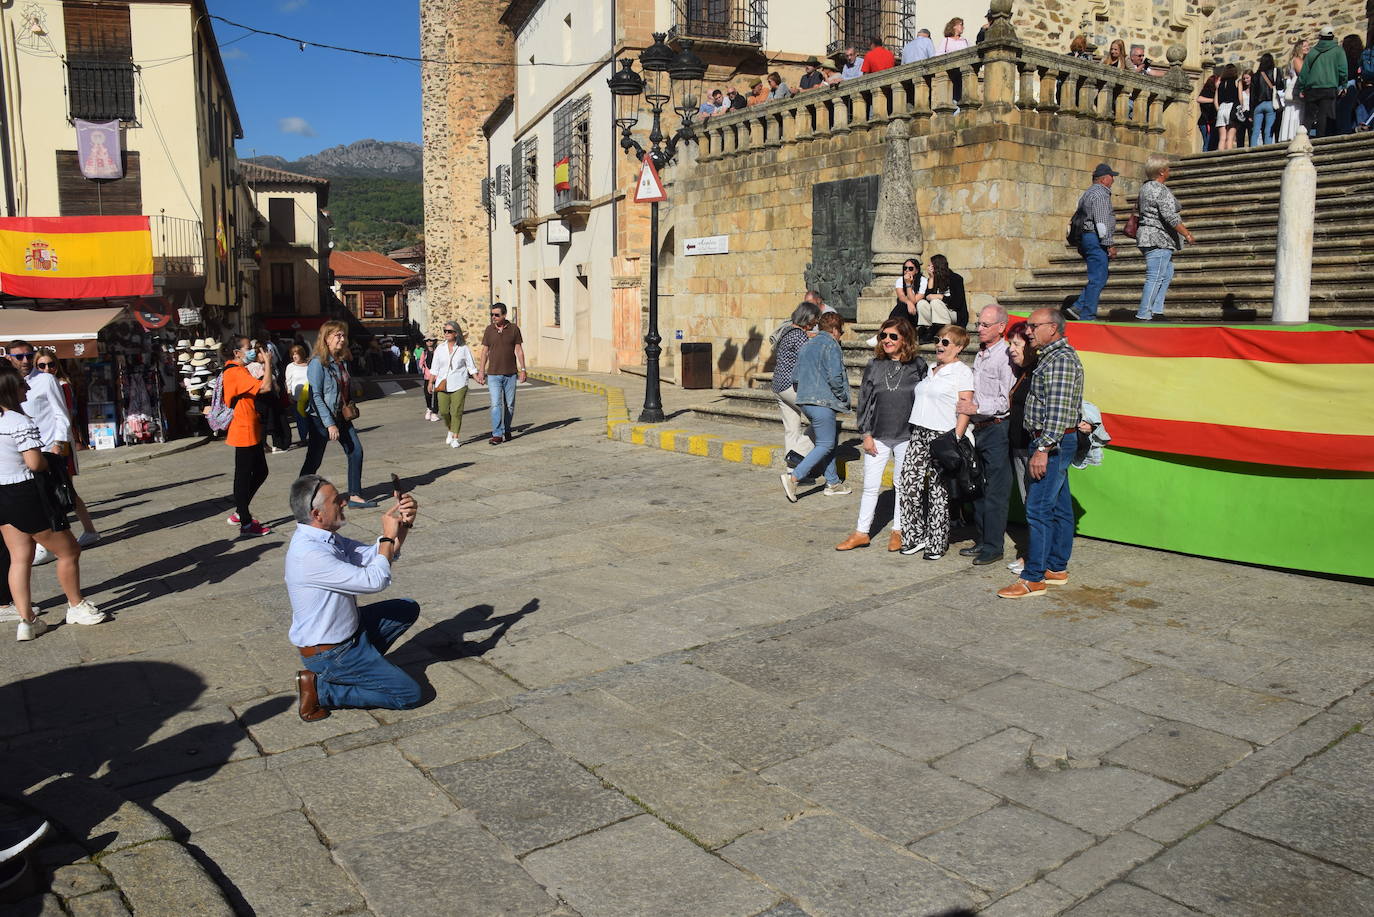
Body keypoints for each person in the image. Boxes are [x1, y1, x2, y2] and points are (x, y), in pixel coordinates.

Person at [286, 474, 420, 721]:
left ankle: (365, 667)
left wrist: (403, 525)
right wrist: (388, 536)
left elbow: (374, 556)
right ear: (317, 514)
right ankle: (323, 690)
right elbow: (374, 580)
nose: (345, 503)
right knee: (409, 694)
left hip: (351, 630)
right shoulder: (309, 554)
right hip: (331, 653)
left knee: (406, 609)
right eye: (337, 501)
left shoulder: (325, 536)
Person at [0, 363, 107, 641]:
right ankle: (76, 605)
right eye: (22, 384)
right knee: (69, 551)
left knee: (19, 557)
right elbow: (34, 463)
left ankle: (27, 620)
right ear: (11, 390)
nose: (27, 387)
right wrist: (50, 460)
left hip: (2, 494)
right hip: (25, 492)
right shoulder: (18, 422)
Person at [998, 308, 1084, 599]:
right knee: (1058, 507)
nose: (1030, 330)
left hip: (1051, 443)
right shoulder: (1051, 357)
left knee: (1038, 510)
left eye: (1034, 326)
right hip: (1055, 442)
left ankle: (1033, 577)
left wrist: (1043, 448)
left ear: (1053, 328)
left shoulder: (1059, 360)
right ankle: (1056, 568)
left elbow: (1058, 413)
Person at [836, 318, 926, 552]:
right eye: (883, 336)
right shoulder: (874, 365)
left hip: (907, 435)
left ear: (905, 338)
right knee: (870, 485)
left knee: (901, 485)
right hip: (878, 434)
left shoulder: (918, 365)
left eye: (893, 336)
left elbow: (926, 399)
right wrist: (865, 433)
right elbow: (865, 400)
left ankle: (898, 529)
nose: (887, 340)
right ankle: (861, 532)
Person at [897, 324, 974, 559]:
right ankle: (915, 536)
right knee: (908, 485)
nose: (939, 345)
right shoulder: (931, 368)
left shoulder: (962, 372)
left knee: (938, 491)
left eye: (946, 342)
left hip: (942, 436)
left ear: (959, 347)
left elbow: (965, 409)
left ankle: (937, 542)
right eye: (938, 340)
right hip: (919, 433)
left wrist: (956, 438)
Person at [8, 340, 76, 565]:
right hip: (18, 457)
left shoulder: (45, 379)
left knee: (53, 501)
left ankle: (51, 544)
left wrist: (58, 444)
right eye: (20, 357)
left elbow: (61, 413)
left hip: (45, 450)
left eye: (29, 355)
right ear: (9, 357)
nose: (25, 361)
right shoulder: (7, 383)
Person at [956, 305, 1014, 565]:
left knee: (996, 491)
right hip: (977, 428)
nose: (979, 328)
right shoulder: (982, 354)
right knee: (977, 487)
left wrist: (975, 408)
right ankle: (981, 539)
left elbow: (1005, 401)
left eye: (985, 325)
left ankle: (993, 546)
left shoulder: (1005, 356)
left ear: (1001, 327)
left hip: (996, 427)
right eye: (979, 323)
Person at [299, 321, 379, 510]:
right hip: (321, 418)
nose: (342, 339)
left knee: (355, 451)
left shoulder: (340, 361)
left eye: (344, 336)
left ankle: (355, 495)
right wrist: (329, 424)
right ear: (326, 338)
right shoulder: (317, 363)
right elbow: (316, 396)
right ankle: (301, 496)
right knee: (314, 459)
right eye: (338, 336)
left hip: (341, 416)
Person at [780, 312, 851, 501]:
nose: (840, 336)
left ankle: (832, 482)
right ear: (835, 329)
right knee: (826, 444)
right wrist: (843, 396)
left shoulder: (807, 344)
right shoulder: (831, 345)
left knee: (829, 441)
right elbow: (835, 378)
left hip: (805, 401)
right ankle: (794, 478)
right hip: (822, 402)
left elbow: (794, 376)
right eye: (841, 332)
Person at [32, 352, 97, 546]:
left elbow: (65, 414)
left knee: (65, 488)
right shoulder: (36, 384)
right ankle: (87, 530)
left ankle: (84, 530)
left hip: (60, 443)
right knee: (60, 489)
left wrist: (65, 441)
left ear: (57, 365)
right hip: (45, 442)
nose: (47, 369)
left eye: (50, 364)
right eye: (41, 365)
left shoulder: (62, 384)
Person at [221, 337, 274, 537]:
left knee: (261, 471)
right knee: (243, 476)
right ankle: (245, 521)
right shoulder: (234, 372)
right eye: (248, 348)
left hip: (250, 426)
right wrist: (267, 362)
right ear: (237, 353)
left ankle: (239, 511)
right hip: (243, 428)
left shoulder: (238, 370)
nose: (252, 350)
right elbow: (266, 387)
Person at [1134, 154, 1197, 321]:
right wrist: (1187, 234)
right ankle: (1144, 314)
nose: (1169, 171)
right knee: (1155, 276)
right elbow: (1170, 216)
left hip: (1147, 236)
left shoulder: (1145, 188)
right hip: (1157, 238)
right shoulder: (1160, 189)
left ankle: (1157, 310)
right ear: (1162, 171)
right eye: (1168, 168)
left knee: (1167, 272)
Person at [1003, 321, 1039, 575]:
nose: (1011, 349)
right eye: (1010, 343)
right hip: (1018, 448)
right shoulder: (1022, 371)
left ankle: (1033, 557)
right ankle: (1030, 553)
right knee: (1029, 504)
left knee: (1034, 505)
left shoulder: (1038, 371)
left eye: (1016, 343)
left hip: (1032, 448)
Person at [770, 301, 821, 469]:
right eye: (814, 321)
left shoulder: (787, 330)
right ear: (808, 318)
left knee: (792, 429)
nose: (815, 324)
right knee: (821, 419)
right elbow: (807, 358)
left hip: (778, 385)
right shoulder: (798, 335)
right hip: (790, 386)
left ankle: (792, 472)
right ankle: (797, 454)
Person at [1065, 163, 1118, 322]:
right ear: (1104, 179)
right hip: (1095, 238)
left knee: (1098, 276)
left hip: (1086, 238)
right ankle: (1087, 315)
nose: (1113, 179)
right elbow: (1101, 223)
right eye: (1111, 176)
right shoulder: (1101, 194)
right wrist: (1109, 244)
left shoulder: (1087, 193)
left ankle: (1078, 307)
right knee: (1098, 277)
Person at [475, 302, 526, 445]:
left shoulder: (514, 329)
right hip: (493, 374)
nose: (493, 317)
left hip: (510, 374)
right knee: (496, 404)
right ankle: (497, 434)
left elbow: (519, 350)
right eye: (492, 314)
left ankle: (507, 429)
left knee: (509, 405)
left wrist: (523, 369)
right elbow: (484, 351)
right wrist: (481, 371)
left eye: (497, 315)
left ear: (504, 315)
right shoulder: (489, 330)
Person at [429, 321, 478, 449]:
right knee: (444, 411)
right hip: (442, 384)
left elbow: (470, 366)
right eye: (444, 331)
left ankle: (456, 437)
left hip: (459, 383)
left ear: (456, 333)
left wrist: (477, 377)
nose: (446, 333)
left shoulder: (463, 348)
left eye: (449, 331)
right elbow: (434, 368)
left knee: (456, 411)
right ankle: (451, 429)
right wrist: (430, 382)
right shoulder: (439, 349)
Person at [1297, 28, 1348, 138]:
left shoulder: (1312, 52)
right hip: (1329, 88)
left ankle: (1302, 140)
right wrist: (1344, 85)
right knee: (1324, 116)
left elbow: (1304, 72)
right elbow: (1343, 70)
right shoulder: (1338, 51)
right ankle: (1322, 142)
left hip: (1312, 89)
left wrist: (1301, 88)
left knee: (1308, 117)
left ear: (1320, 37)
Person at [923, 254, 969, 337]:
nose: (928, 268)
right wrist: (931, 278)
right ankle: (926, 330)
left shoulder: (955, 279)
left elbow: (957, 303)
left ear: (937, 266)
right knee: (921, 304)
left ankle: (944, 331)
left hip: (953, 313)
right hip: (936, 314)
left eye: (930, 266)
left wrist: (941, 297)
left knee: (935, 302)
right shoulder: (933, 279)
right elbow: (927, 297)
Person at [1278, 39, 1310, 142]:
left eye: (1308, 46)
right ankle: (1292, 136)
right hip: (1295, 90)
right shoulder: (1297, 60)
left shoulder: (1301, 60)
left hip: (1298, 89)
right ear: (1299, 48)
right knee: (1295, 113)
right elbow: (1302, 74)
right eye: (1305, 46)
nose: (1307, 48)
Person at [1251, 53, 1282, 145]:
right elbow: (1280, 86)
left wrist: (1251, 111)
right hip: (1270, 103)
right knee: (1268, 130)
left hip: (1258, 105)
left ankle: (1253, 149)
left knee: (1256, 130)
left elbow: (1252, 94)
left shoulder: (1255, 75)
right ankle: (1267, 148)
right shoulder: (1275, 71)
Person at [284, 343, 312, 446]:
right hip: (297, 398)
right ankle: (303, 438)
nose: (294, 356)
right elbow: (288, 382)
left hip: (310, 396)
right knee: (301, 419)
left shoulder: (309, 364)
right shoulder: (290, 366)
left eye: (297, 354)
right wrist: (289, 394)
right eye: (293, 354)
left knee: (312, 417)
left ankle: (314, 436)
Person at [888, 257, 925, 328]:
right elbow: (901, 296)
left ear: (916, 271)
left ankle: (891, 327)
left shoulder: (923, 281)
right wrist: (908, 302)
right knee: (902, 305)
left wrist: (908, 284)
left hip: (917, 312)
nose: (907, 271)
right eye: (905, 268)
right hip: (905, 310)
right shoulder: (900, 280)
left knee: (902, 307)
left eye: (910, 268)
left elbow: (913, 301)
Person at [1215, 63, 1241, 151]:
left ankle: (1219, 158)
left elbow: (1216, 100)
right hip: (1232, 107)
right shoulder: (1237, 82)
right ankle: (1228, 160)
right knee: (1230, 137)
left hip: (1221, 108)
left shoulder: (1220, 83)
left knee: (1222, 138)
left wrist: (1218, 109)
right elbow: (1240, 98)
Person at [1196, 69, 1220, 151]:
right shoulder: (1207, 91)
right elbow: (1199, 99)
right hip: (1205, 122)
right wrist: (1213, 101)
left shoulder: (1217, 92)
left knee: (1213, 142)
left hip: (1214, 122)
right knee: (1208, 142)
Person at [418, 336, 440, 421]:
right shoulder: (424, 352)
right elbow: (421, 362)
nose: (429, 342)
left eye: (431, 340)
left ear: (434, 341)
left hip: (437, 376)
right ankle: (429, 408)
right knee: (427, 394)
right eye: (427, 340)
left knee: (437, 395)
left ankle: (435, 412)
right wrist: (422, 368)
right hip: (428, 375)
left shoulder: (438, 351)